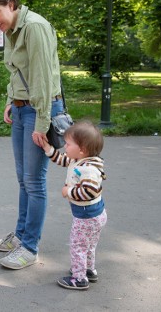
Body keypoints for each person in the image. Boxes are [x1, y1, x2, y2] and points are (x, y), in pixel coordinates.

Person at [0, 0, 63, 270]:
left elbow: (43, 80)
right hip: (22, 107)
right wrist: (10, 100)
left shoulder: (34, 27)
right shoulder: (12, 31)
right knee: (24, 179)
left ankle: (30, 248)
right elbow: (18, 72)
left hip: (40, 110)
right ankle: (21, 236)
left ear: (11, 4)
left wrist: (42, 122)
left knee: (35, 182)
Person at [41, 121, 107, 290]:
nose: (65, 147)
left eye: (68, 144)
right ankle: (89, 270)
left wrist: (68, 191)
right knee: (89, 245)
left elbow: (90, 191)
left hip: (87, 216)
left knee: (78, 246)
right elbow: (62, 160)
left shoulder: (89, 169)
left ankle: (79, 278)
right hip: (94, 215)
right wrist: (47, 148)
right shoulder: (78, 160)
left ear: (82, 149)